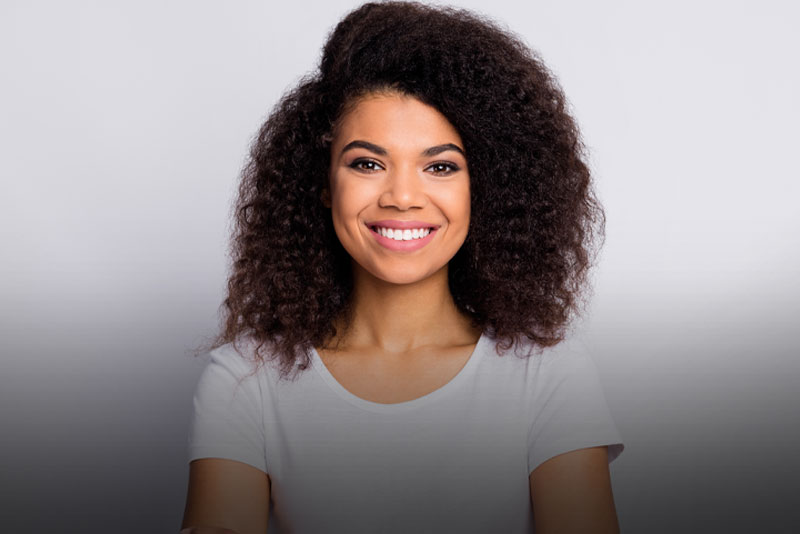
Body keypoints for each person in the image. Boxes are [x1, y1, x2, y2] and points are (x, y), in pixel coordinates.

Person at [180, 2, 624, 533]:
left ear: (486, 189)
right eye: (368, 163)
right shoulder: (246, 380)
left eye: (440, 166)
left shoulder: (549, 375)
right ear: (323, 184)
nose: (403, 197)